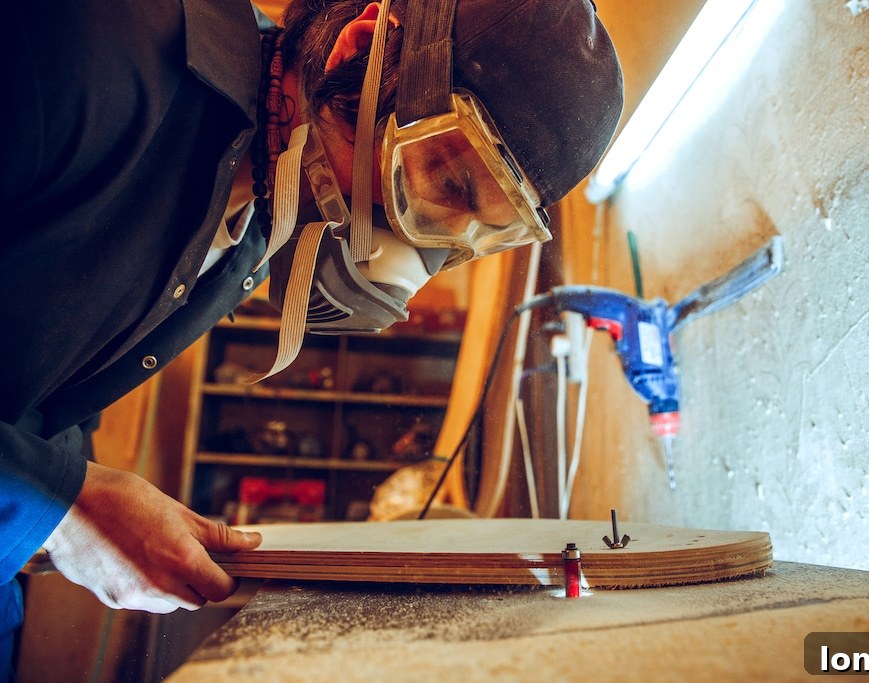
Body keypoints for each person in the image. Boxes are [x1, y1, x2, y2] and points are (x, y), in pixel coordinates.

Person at [1, 0, 622, 676]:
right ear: (361, 48)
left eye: (470, 229)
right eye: (445, 179)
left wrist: (74, 496)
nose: (420, 244)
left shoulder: (255, 217)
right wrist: (62, 507)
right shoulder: (72, 46)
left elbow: (51, 391)